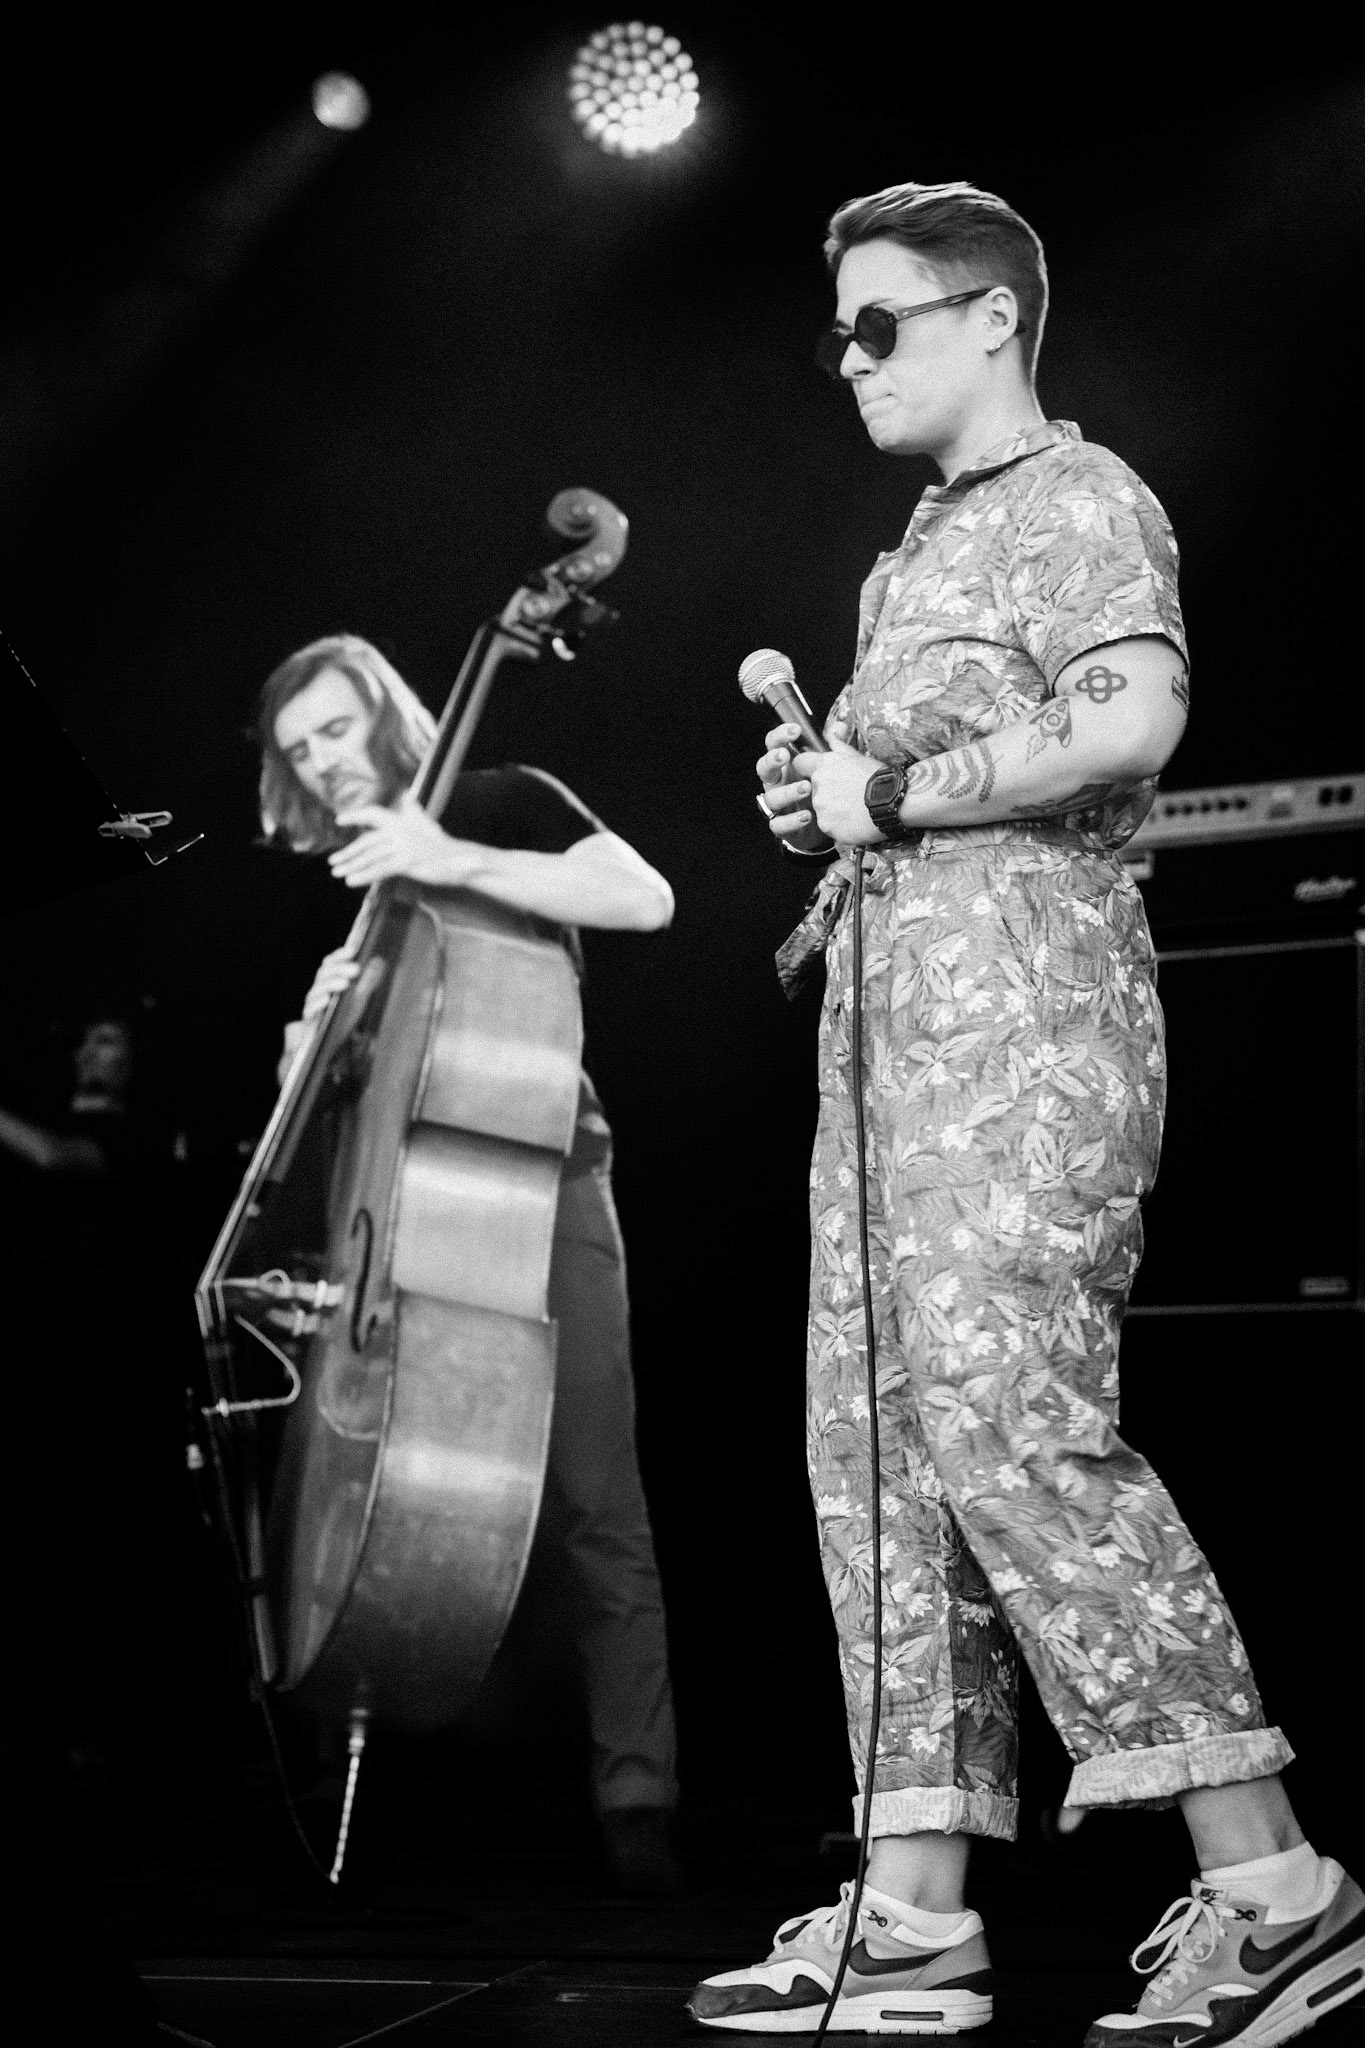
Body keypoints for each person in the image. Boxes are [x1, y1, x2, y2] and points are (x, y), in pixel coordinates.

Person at [688, 183, 1363, 2041]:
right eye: (837, 330)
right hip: (887, 1060)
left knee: (1016, 1431)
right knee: (884, 1461)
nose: (848, 359)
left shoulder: (1085, 499)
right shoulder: (908, 556)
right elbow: (915, 797)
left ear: (992, 317)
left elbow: (1131, 723)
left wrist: (896, 799)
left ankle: (1280, 1888)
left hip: (1030, 1056)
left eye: (879, 322)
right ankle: (911, 1920)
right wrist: (835, 793)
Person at [256, 632, 681, 1892]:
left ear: (386, 715)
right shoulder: (367, 894)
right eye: (296, 750)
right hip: (415, 1231)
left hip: (544, 1181)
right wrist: (312, 1053)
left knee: (601, 1503)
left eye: (332, 730)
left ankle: (640, 1803)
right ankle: (383, 1776)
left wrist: (448, 855)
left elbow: (643, 893)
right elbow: (369, 1116)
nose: (321, 762)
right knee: (402, 1506)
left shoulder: (494, 800)